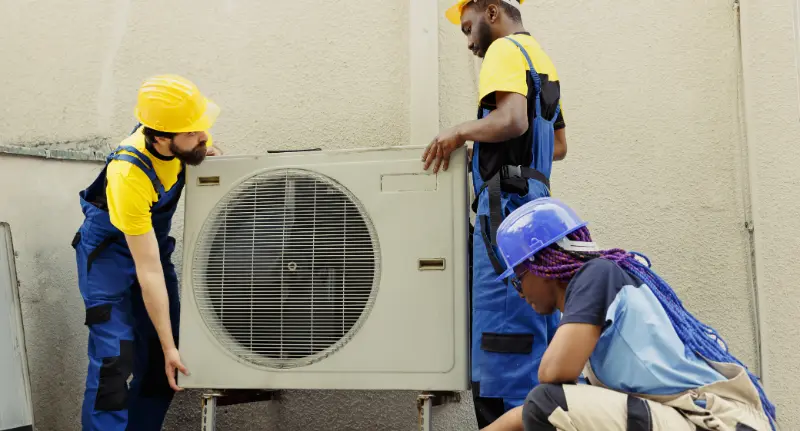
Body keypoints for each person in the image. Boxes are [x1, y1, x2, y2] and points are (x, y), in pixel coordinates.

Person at [482, 197, 776, 431]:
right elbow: (541, 410)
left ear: (541, 264)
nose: (519, 292)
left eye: (517, 279)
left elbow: (551, 377)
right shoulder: (603, 297)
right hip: (703, 418)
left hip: (714, 421)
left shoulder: (595, 276)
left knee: (551, 406)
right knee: (556, 410)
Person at [422, 0, 567, 425]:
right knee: (534, 320)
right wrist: (491, 148)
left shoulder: (504, 50)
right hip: (537, 206)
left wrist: (460, 132)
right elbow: (557, 145)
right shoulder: (541, 59)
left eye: (468, 28)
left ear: (490, 12)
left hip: (505, 209)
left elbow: (513, 120)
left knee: (501, 333)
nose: (469, 42)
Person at [70, 74, 222, 431]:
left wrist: (204, 154)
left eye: (203, 129)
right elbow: (148, 270)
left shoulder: (183, 132)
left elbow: (153, 263)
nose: (203, 138)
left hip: (150, 252)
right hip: (108, 262)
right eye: (193, 134)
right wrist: (170, 346)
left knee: (162, 364)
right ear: (161, 138)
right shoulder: (129, 174)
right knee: (114, 361)